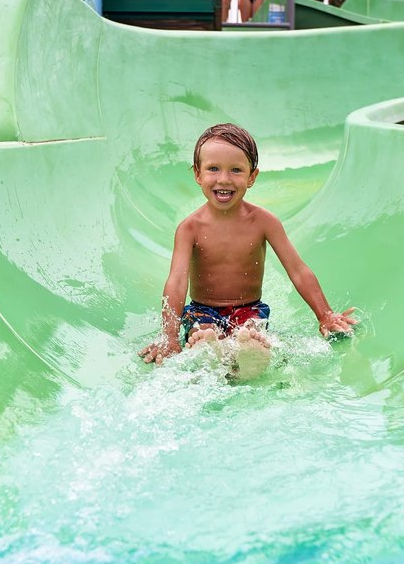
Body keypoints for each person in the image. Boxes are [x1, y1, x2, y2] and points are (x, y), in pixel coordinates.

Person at [139, 123, 356, 377]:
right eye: (213, 169)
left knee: (250, 336)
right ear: (198, 174)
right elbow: (176, 282)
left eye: (236, 170)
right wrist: (169, 337)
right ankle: (208, 348)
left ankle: (250, 354)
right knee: (203, 335)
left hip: (249, 311)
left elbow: (297, 270)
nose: (224, 179)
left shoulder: (265, 222)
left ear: (251, 177)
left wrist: (325, 314)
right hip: (202, 310)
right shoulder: (189, 228)